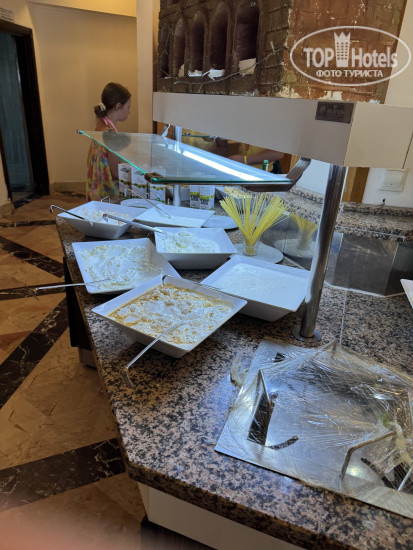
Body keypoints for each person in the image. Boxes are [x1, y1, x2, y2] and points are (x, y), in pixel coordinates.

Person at [86, 82, 131, 201]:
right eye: (128, 107)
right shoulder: (111, 134)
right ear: (118, 106)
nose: (129, 112)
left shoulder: (99, 127)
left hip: (96, 192)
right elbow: (115, 173)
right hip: (108, 196)